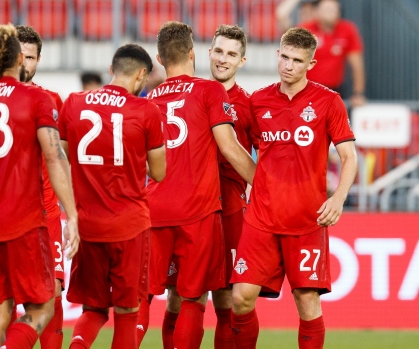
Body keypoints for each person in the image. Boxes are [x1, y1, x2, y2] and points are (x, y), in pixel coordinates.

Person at [0, 24, 79, 349]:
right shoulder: (37, 98)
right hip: (26, 222)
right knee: (45, 306)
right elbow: (55, 156)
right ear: (19, 59)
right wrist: (73, 215)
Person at [230, 27, 358, 349]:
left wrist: (339, 198)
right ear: (278, 55)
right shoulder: (258, 101)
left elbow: (349, 157)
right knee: (241, 298)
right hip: (261, 218)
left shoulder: (329, 102)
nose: (288, 65)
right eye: (284, 57)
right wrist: (257, 184)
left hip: (305, 219)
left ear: (311, 64)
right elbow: (237, 148)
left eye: (297, 60)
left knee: (306, 301)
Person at [139, 21, 257, 349]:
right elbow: (231, 148)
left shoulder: (147, 100)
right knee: (190, 298)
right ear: (197, 52)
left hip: (164, 210)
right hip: (199, 209)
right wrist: (268, 188)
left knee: (148, 298)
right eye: (218, 51)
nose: (223, 58)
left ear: (159, 60)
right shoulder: (209, 91)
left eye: (231, 53)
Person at [60, 43, 166, 349]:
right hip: (128, 226)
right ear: (142, 75)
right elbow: (158, 173)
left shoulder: (74, 103)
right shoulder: (147, 110)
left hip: (88, 226)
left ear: (111, 70)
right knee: (127, 310)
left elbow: (64, 155)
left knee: (93, 308)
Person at [15, 24, 65, 349]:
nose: (24, 63)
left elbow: (60, 158)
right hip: (10, 217)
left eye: (30, 57)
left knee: (54, 296)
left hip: (46, 214)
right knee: (4, 303)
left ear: (39, 60)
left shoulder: (51, 100)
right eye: (19, 55)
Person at [299, 0, 366, 107]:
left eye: (334, 9)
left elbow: (357, 65)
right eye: (327, 9)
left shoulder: (347, 29)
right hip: (308, 90)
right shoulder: (305, 30)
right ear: (316, 12)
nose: (331, 12)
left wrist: (358, 94)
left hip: (336, 90)